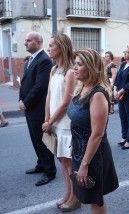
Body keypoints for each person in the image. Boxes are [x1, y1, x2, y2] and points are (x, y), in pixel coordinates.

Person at [67, 48, 119, 214]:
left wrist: (84, 165)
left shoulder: (97, 94)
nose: (75, 67)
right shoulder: (82, 87)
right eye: (75, 63)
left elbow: (97, 134)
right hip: (80, 151)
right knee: (90, 197)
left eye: (80, 64)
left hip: (93, 155)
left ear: (91, 67)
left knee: (95, 199)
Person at [41, 33, 80, 211]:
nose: (48, 48)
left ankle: (75, 197)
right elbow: (49, 95)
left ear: (61, 48)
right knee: (62, 162)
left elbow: (66, 103)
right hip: (54, 122)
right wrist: (46, 119)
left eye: (51, 45)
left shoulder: (71, 71)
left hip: (65, 124)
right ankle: (68, 193)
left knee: (69, 163)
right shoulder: (53, 69)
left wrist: (51, 121)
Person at [19, 31, 56, 186]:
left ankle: (49, 171)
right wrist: (21, 99)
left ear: (37, 42)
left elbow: (40, 86)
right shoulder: (31, 60)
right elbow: (26, 82)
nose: (25, 43)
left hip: (38, 108)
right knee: (35, 139)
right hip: (30, 108)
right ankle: (41, 164)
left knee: (43, 140)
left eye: (28, 40)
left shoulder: (44, 60)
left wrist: (25, 102)